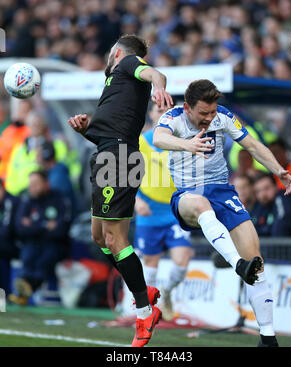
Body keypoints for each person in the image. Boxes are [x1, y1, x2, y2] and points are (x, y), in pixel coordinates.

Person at [153, 79, 291, 347]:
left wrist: (278, 170)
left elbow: (252, 146)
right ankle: (236, 263)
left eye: (212, 112)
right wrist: (188, 145)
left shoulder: (223, 117)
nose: (209, 118)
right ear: (187, 108)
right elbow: (159, 138)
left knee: (256, 261)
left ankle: (268, 337)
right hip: (188, 193)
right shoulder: (173, 118)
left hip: (222, 193)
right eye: (203, 113)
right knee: (199, 205)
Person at [67, 34, 173, 347]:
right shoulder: (116, 85)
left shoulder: (127, 64)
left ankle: (144, 312)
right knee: (100, 237)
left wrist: (160, 86)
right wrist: (87, 129)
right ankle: (144, 290)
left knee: (115, 238)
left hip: (119, 159)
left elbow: (154, 73)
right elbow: (110, 132)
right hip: (107, 155)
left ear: (116, 52)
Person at [135, 102, 194, 321]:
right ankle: (148, 311)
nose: (163, 115)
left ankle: (167, 291)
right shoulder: (141, 141)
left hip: (175, 209)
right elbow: (126, 175)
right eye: (159, 110)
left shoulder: (181, 140)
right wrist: (136, 201)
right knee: (150, 263)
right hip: (148, 209)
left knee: (182, 259)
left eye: (167, 111)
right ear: (150, 113)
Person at [9, 171, 72, 305]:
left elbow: (60, 230)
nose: (32, 188)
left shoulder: (59, 199)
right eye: (31, 184)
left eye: (36, 184)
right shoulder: (27, 201)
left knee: (45, 259)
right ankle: (25, 290)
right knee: (27, 255)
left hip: (56, 244)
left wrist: (33, 226)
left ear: (46, 184)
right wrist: (45, 226)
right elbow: (20, 229)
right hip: (33, 242)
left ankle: (26, 289)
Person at [250, 172, 291, 237]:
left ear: (276, 186)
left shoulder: (282, 199)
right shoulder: (258, 205)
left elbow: (281, 232)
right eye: (258, 191)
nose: (263, 194)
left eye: (266, 188)